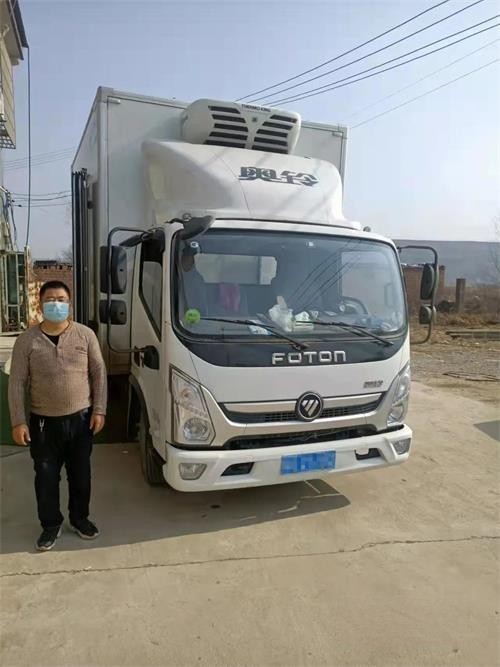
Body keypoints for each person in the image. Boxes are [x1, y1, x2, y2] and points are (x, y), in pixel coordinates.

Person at [8, 281, 107, 552]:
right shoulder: (27, 340)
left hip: (81, 420)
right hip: (43, 423)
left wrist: (99, 409)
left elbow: (98, 373)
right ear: (40, 304)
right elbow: (17, 382)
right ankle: (50, 525)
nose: (56, 304)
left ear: (69, 303)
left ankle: (80, 519)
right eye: (50, 299)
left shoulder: (85, 335)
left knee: (81, 475)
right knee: (46, 477)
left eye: (61, 299)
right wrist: (18, 421)